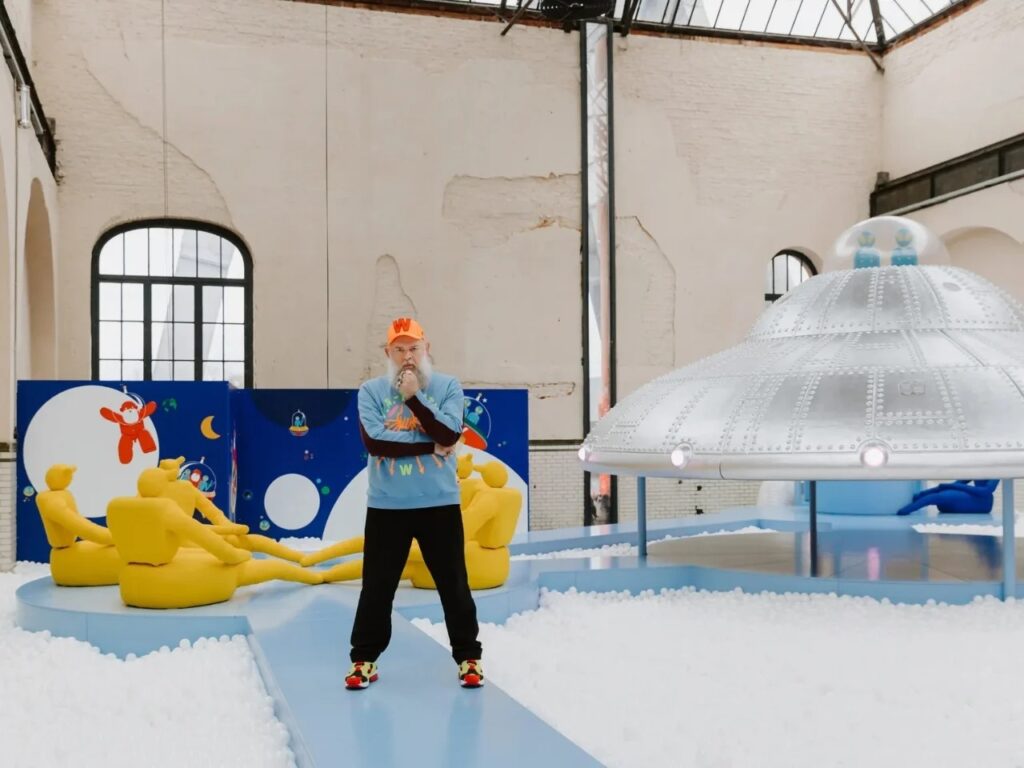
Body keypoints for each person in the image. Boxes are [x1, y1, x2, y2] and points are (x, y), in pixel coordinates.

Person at [345, 317, 483, 691]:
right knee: (377, 586)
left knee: (453, 583)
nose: (407, 356)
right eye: (399, 349)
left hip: (439, 504)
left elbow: (449, 432)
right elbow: (376, 443)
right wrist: (430, 447)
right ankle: (364, 661)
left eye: (413, 347)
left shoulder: (447, 386)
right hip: (387, 506)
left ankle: (468, 658)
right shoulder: (370, 391)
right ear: (387, 353)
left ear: (427, 348)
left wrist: (412, 399)